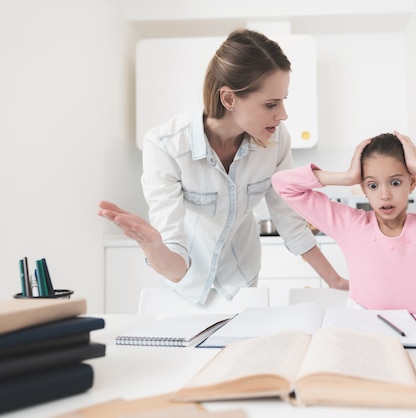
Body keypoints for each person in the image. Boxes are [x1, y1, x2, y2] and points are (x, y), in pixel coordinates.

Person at [98, 29, 348, 306]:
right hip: (184, 285)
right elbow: (175, 262)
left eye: (283, 101)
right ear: (229, 99)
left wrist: (335, 280)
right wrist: (154, 247)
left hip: (242, 280)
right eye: (271, 104)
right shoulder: (166, 145)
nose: (283, 114)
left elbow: (290, 221)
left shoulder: (276, 140)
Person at [271, 131, 416, 314]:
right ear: (363, 187)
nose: (384, 195)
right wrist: (345, 177)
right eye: (373, 185)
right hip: (363, 328)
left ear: (412, 182)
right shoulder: (349, 225)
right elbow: (283, 184)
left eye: (395, 182)